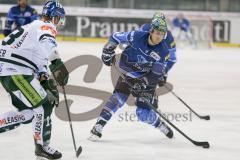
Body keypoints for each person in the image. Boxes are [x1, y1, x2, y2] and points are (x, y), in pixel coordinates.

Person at [0, 1, 68, 159]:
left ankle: (41, 146)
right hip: (15, 71)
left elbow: (38, 59)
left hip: (10, 70)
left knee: (28, 113)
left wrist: (45, 81)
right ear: (55, 17)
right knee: (43, 107)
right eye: (60, 19)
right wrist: (57, 64)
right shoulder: (46, 26)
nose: (59, 23)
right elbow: (47, 43)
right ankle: (42, 147)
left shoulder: (34, 27)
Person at [88, 16, 174, 141]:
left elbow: (155, 74)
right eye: (157, 33)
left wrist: (144, 83)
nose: (159, 37)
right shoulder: (137, 36)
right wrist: (108, 50)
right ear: (151, 31)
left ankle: (159, 124)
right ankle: (98, 126)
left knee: (143, 114)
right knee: (117, 99)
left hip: (146, 78)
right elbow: (115, 37)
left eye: (162, 34)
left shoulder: (163, 51)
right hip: (128, 72)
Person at [140, 11, 177, 82]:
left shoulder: (169, 36)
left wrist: (163, 71)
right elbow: (172, 59)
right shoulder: (145, 28)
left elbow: (172, 58)